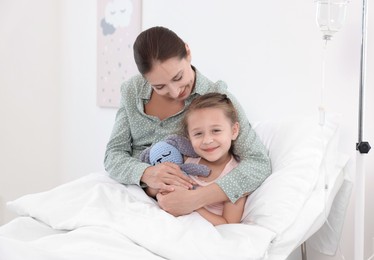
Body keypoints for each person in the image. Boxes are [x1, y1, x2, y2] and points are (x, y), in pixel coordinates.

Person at [104, 26, 271, 216]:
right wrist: (146, 173)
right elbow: (114, 154)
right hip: (130, 191)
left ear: (188, 52)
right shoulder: (132, 90)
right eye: (160, 86)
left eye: (178, 77)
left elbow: (258, 163)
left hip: (184, 199)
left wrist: (196, 199)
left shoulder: (216, 99)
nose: (175, 92)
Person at [146, 93, 246, 225]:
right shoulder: (187, 160)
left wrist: (190, 204)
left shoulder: (237, 177)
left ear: (234, 131)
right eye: (198, 134)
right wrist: (160, 187)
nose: (207, 140)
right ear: (189, 136)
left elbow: (228, 223)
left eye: (216, 130)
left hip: (203, 231)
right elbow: (152, 191)